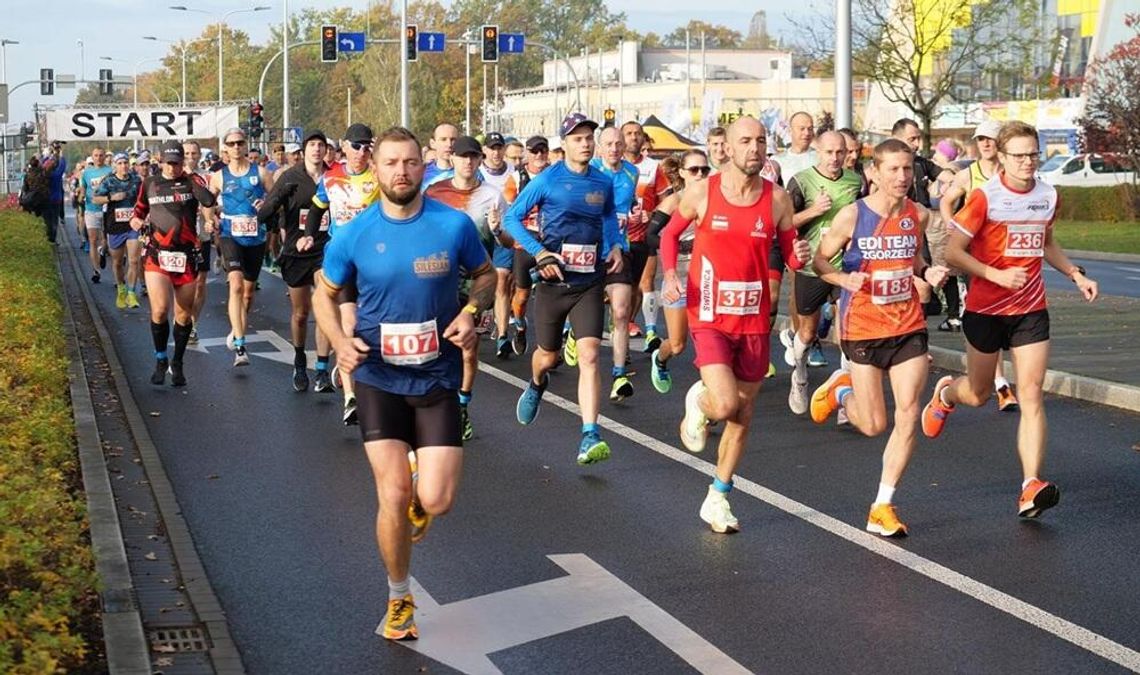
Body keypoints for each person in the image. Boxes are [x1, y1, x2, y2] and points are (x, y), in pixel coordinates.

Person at [311, 126, 495, 642]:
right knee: (391, 493)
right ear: (378, 170)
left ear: (424, 165)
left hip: (436, 374)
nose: (401, 172)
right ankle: (399, 599)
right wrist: (339, 341)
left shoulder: (452, 225)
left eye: (411, 162)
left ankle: (421, 497)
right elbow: (323, 294)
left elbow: (485, 275)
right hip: (378, 376)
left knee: (435, 501)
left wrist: (472, 310)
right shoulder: (354, 234)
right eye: (391, 163)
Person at [921, 120, 1099, 520]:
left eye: (1033, 154)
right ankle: (947, 394)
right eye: (1018, 155)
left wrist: (1074, 274)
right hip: (986, 309)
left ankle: (1030, 485)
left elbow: (1046, 241)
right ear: (1001, 157)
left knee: (1032, 392)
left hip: (1031, 309)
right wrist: (995, 274)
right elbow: (953, 251)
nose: (1027, 162)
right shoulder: (985, 197)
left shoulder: (1048, 194)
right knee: (979, 393)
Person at [660, 117, 810, 533]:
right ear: (725, 146)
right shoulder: (702, 193)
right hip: (709, 314)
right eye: (745, 141)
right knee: (724, 404)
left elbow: (790, 258)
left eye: (760, 141)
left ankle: (718, 496)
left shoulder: (778, 200)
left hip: (754, 318)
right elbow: (670, 235)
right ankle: (699, 402)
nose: (755, 149)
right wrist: (670, 273)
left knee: (743, 413)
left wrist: (801, 253)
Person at [809, 138, 949, 536]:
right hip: (863, 327)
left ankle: (882, 505)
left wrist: (928, 274)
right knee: (873, 425)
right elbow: (820, 261)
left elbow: (916, 260)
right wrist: (841, 278)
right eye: (893, 169)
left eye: (907, 169)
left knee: (907, 415)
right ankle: (841, 391)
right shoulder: (852, 216)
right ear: (874, 172)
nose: (902, 177)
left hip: (907, 325)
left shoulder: (916, 214)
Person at [505, 113, 626, 465]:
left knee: (589, 355)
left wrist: (616, 245)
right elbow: (512, 218)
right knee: (548, 356)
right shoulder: (547, 180)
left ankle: (590, 434)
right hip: (554, 283)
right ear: (565, 144)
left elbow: (607, 218)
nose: (585, 143)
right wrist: (540, 252)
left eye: (589, 137)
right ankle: (536, 382)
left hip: (589, 281)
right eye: (577, 138)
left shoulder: (602, 183)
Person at [297, 123, 383, 425]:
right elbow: (318, 208)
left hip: (377, 261)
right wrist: (309, 234)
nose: (361, 152)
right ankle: (351, 398)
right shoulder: (331, 178)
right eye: (356, 146)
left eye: (366, 146)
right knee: (349, 324)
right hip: (343, 259)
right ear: (344, 147)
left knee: (377, 324)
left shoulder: (379, 176)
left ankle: (373, 378)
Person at [425, 135, 509, 440]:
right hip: (438, 281)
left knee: (467, 348)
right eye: (463, 157)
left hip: (476, 283)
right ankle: (435, 403)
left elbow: (510, 241)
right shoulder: (434, 193)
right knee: (436, 347)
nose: (469, 162)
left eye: (474, 157)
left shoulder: (492, 195)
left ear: (480, 159)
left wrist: (499, 229)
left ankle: (461, 405)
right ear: (454, 159)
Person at [936, 120, 1018, 411]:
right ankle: (1001, 384)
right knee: (989, 319)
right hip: (978, 259)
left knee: (1012, 320)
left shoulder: (1012, 172)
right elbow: (946, 201)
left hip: (1009, 257)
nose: (985, 144)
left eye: (991, 138)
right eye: (980, 139)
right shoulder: (969, 174)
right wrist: (951, 224)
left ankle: (997, 380)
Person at [783, 131, 864, 413]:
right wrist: (814, 210)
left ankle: (846, 398)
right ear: (818, 151)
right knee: (806, 332)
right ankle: (800, 374)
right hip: (812, 266)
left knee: (848, 333)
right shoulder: (801, 181)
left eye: (840, 152)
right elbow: (785, 222)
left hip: (845, 266)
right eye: (829, 152)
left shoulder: (856, 181)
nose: (835, 158)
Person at [129, 140, 217, 387]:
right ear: (160, 161)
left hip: (186, 255)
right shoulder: (150, 183)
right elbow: (138, 212)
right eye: (169, 163)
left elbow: (209, 201)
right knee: (159, 310)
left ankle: (177, 361)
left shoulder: (192, 180)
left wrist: (189, 176)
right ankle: (160, 359)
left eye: (177, 163)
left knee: (183, 314)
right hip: (158, 253)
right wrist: (136, 223)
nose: (173, 168)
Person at [258, 130, 336, 393]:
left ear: (326, 150)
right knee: (301, 314)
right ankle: (300, 359)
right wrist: (280, 197)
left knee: (324, 305)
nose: (317, 149)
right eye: (312, 145)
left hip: (326, 249)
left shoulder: (334, 176)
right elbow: (265, 212)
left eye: (321, 145)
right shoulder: (290, 176)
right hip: (295, 249)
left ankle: (322, 369)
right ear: (304, 151)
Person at [208, 128, 276, 368]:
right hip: (230, 235)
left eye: (240, 142)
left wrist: (266, 204)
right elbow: (208, 200)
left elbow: (275, 198)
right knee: (235, 285)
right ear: (225, 148)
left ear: (246, 145)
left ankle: (237, 328)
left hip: (255, 238)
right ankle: (240, 345)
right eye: (231, 143)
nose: (236, 147)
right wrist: (209, 218)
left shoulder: (261, 173)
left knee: (248, 293)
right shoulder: (219, 176)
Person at [648, 150, 709, 394]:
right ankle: (660, 359)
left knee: (708, 342)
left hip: (708, 280)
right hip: (679, 279)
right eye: (694, 170)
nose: (700, 174)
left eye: (705, 170)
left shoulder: (715, 198)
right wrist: (684, 245)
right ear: (682, 173)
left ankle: (711, 394)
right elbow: (650, 236)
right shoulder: (674, 202)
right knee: (677, 345)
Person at [591, 126, 641, 401]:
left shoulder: (631, 173)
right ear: (600, 147)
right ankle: (573, 333)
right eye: (608, 144)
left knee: (621, 311)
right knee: (591, 313)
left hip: (618, 249)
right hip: (588, 251)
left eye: (618, 143)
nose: (614, 149)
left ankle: (619, 374)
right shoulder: (590, 171)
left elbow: (629, 205)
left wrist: (634, 215)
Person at [620, 120, 670, 349]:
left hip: (644, 235)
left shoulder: (653, 167)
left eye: (637, 134)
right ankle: (621, 321)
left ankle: (650, 331)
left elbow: (668, 200)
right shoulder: (611, 166)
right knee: (622, 288)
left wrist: (652, 214)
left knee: (644, 282)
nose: (633, 137)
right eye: (629, 133)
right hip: (617, 237)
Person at [500, 135, 551, 358]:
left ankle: (556, 341)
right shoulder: (515, 178)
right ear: (527, 154)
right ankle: (520, 325)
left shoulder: (555, 175)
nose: (539, 155)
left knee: (555, 293)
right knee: (521, 296)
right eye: (534, 151)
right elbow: (507, 213)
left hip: (550, 241)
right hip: (524, 243)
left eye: (543, 151)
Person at [93, 152, 144, 309]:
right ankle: (121, 289)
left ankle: (131, 293)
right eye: (120, 163)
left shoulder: (136, 179)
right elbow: (95, 198)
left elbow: (144, 198)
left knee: (134, 260)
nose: (124, 166)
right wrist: (111, 198)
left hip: (132, 225)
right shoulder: (108, 180)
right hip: (115, 225)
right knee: (117, 262)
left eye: (126, 163)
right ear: (115, 165)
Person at [77, 147, 114, 281]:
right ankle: (96, 271)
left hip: (106, 209)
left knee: (106, 240)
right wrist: (81, 195)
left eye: (101, 155)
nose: (98, 158)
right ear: (92, 157)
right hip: (91, 209)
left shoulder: (110, 171)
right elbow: (84, 188)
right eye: (96, 155)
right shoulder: (87, 172)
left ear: (105, 157)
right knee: (92, 239)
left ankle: (102, 251)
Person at [40, 142, 69, 245]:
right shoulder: (56, 175)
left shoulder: (42, 175)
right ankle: (53, 238)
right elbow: (62, 166)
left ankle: (48, 237)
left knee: (47, 220)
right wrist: (61, 155)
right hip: (56, 200)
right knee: (54, 220)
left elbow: (41, 164)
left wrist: (46, 156)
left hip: (45, 200)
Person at [422, 123, 458, 188]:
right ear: (432, 143)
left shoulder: (471, 172)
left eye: (453, 140)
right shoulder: (421, 173)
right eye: (443, 139)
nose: (449, 144)